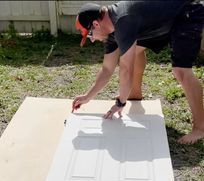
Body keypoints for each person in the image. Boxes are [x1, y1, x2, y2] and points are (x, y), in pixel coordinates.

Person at [72, 1, 204, 144]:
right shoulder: (112, 32)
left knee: (181, 71)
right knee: (132, 51)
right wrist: (87, 96)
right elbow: (107, 69)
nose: (92, 40)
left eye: (90, 35)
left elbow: (126, 69)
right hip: (159, 22)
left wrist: (120, 102)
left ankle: (200, 128)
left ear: (96, 24)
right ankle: (135, 94)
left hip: (187, 12)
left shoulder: (122, 21)